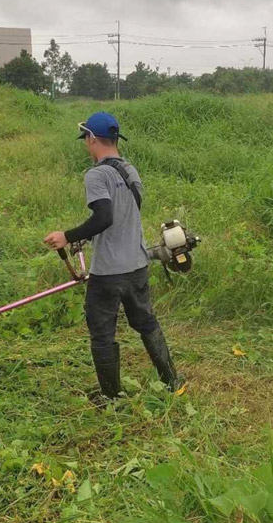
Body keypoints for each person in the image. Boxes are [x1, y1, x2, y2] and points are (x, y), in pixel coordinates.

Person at [43, 112, 182, 400]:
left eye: (86, 140)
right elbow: (120, 217)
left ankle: (111, 397)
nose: (86, 145)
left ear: (92, 138)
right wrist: (87, 235)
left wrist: (67, 236)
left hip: (108, 273)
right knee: (146, 322)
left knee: (103, 334)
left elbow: (104, 216)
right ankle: (172, 382)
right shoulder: (131, 171)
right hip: (137, 265)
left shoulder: (96, 174)